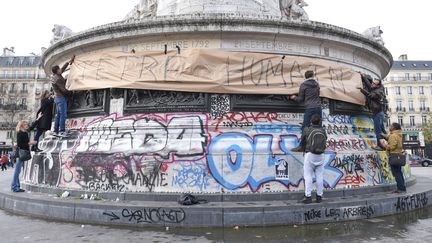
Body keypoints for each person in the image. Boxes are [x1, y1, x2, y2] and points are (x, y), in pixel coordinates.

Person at [290, 70, 322, 151]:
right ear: (313, 75)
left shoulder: (304, 85)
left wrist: (293, 97)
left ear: (305, 76)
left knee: (305, 127)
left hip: (310, 108)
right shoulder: (317, 84)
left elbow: (300, 99)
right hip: (318, 107)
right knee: (318, 127)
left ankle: (302, 146)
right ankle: (319, 146)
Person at [300, 114, 327, 204]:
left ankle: (308, 197)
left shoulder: (307, 130)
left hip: (310, 154)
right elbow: (325, 139)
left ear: (311, 121)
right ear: (319, 122)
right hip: (321, 155)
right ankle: (319, 196)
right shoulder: (323, 130)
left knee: (308, 176)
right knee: (319, 176)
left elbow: (302, 140)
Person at [359, 74, 386, 150]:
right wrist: (363, 77)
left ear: (377, 86)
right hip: (378, 113)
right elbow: (369, 85)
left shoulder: (378, 92)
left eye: (374, 84)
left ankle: (380, 146)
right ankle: (389, 143)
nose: (372, 84)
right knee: (382, 130)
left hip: (378, 113)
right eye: (373, 82)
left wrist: (362, 90)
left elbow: (371, 95)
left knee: (378, 131)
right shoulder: (376, 88)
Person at [51, 55, 75, 137]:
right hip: (61, 98)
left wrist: (69, 62)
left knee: (58, 115)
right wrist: (71, 92)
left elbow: (63, 68)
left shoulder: (56, 76)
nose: (60, 70)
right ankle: (62, 131)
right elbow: (63, 90)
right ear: (56, 71)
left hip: (57, 98)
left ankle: (55, 131)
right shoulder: (58, 79)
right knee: (63, 114)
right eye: (59, 69)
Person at [11, 121, 37, 192]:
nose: (27, 125)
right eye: (25, 124)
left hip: (23, 154)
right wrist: (30, 143)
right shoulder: (20, 133)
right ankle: (14, 187)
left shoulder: (25, 132)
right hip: (21, 154)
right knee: (17, 171)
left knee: (18, 171)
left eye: (27, 124)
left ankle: (17, 187)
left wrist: (37, 119)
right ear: (22, 125)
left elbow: (31, 127)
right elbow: (20, 144)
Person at [381, 123, 406, 193]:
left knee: (396, 173)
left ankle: (401, 189)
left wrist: (385, 145)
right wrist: (384, 136)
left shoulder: (393, 136)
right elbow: (389, 137)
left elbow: (392, 146)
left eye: (391, 126)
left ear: (394, 128)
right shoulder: (398, 135)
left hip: (394, 156)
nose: (390, 127)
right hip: (398, 156)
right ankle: (402, 187)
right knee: (399, 172)